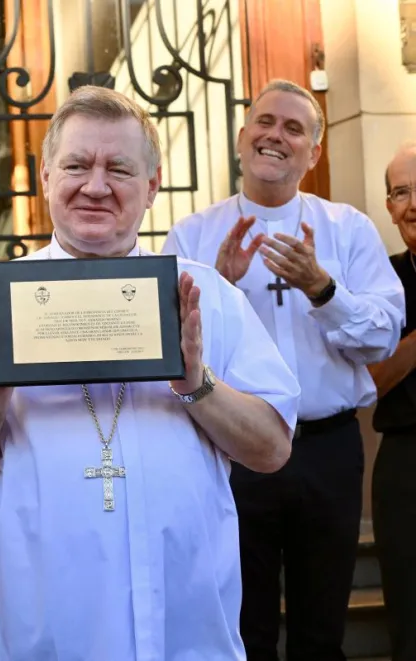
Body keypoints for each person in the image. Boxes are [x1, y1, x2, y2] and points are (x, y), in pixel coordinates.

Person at [0, 85, 299, 659]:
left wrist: (199, 387)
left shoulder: (206, 296)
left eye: (119, 168)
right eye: (76, 166)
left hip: (188, 631)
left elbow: (271, 450)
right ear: (45, 177)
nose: (95, 185)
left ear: (152, 185)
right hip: (48, 636)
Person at [162, 79, 405, 661]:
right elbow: (169, 353)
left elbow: (383, 334)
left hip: (328, 449)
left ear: (314, 152)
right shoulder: (192, 235)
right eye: (265, 122)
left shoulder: (347, 229)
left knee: (323, 628)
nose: (275, 136)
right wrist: (219, 285)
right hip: (229, 450)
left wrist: (322, 288)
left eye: (294, 128)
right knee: (243, 628)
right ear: (243, 136)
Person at [368, 141, 416, 661]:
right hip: (407, 461)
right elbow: (371, 381)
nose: (412, 204)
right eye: (401, 192)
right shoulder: (383, 281)